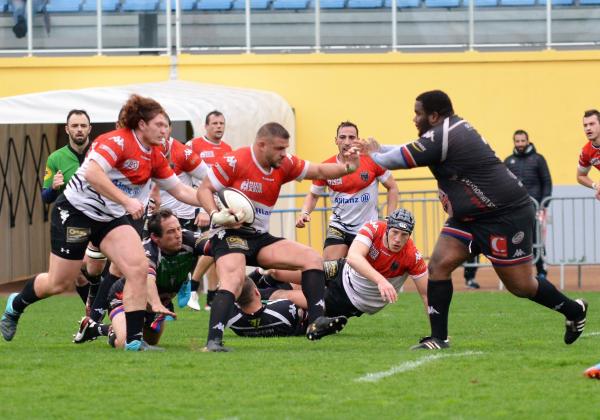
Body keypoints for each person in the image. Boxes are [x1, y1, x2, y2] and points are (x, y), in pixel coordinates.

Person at [360, 89, 587, 350]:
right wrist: (377, 151)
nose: (414, 119)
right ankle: (439, 338)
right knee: (438, 266)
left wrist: (371, 155)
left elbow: (401, 158)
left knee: (521, 286)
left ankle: (574, 310)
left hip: (504, 215)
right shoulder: (444, 132)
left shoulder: (445, 135)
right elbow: (408, 150)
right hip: (468, 218)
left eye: (418, 113)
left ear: (433, 116)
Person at [1, 94, 203, 351]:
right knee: (59, 282)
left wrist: (214, 204)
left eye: (167, 125)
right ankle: (15, 304)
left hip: (109, 218)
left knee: (138, 269)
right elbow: (93, 174)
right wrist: (127, 201)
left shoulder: (153, 155)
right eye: (160, 125)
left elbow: (181, 191)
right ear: (142, 124)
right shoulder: (116, 141)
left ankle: (133, 342)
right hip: (76, 212)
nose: (166, 131)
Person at [196, 121, 360, 352]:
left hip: (260, 237)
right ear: (262, 145)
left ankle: (316, 321)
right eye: (280, 148)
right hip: (231, 234)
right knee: (233, 281)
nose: (285, 154)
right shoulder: (235, 160)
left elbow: (320, 171)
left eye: (286, 148)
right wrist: (215, 214)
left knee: (311, 258)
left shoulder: (285, 163)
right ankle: (213, 341)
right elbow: (203, 189)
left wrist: (347, 168)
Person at [253, 208, 428, 325]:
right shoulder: (374, 228)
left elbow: (427, 295)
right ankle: (257, 277)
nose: (398, 239)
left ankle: (251, 296)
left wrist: (438, 333)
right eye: (395, 233)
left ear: (409, 235)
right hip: (342, 269)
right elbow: (353, 257)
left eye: (404, 235)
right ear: (387, 228)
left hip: (350, 299)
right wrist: (381, 281)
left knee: (296, 297)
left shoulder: (413, 256)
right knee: (281, 271)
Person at [99, 209, 212, 349]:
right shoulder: (147, 250)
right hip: (124, 296)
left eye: (178, 229)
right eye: (171, 232)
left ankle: (114, 327)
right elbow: (148, 279)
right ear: (155, 237)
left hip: (158, 303)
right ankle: (103, 329)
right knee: (126, 343)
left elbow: (214, 247)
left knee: (151, 341)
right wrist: (156, 303)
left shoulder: (190, 240)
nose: (178, 235)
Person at [296, 121, 399, 261]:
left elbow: (392, 187)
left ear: (357, 140)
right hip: (339, 227)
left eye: (352, 137)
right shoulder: (327, 166)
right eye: (342, 137)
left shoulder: (371, 161)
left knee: (365, 272)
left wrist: (389, 219)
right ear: (336, 141)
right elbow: (313, 195)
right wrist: (304, 213)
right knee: (329, 270)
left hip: (367, 228)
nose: (347, 142)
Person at [42, 109, 106, 308]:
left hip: (102, 219)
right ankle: (94, 311)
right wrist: (53, 187)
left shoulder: (102, 154)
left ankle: (113, 307)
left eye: (83, 126)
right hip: (74, 222)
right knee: (77, 273)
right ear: (67, 129)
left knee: (109, 267)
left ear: (90, 129)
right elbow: (46, 198)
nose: (79, 130)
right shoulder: (56, 158)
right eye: (75, 126)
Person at [186, 111, 233, 311]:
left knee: (217, 246)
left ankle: (211, 297)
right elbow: (182, 173)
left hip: (219, 205)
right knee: (210, 245)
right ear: (205, 126)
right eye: (214, 123)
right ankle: (191, 287)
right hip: (196, 203)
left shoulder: (228, 149)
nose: (219, 127)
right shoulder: (193, 145)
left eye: (221, 123)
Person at [504, 129, 552, 281]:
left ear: (528, 141)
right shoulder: (508, 161)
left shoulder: (538, 159)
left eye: (522, 141)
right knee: (515, 240)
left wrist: (544, 203)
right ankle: (518, 274)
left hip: (536, 207)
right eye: (517, 141)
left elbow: (547, 182)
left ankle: (541, 272)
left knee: (536, 240)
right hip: (514, 209)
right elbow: (503, 184)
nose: (520, 144)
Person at [576, 109, 600, 378]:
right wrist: (596, 185)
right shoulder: (587, 151)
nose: (588, 128)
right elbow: (580, 175)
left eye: (592, 123)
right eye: (584, 124)